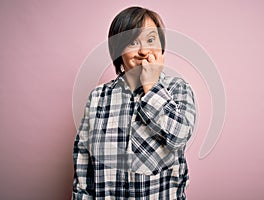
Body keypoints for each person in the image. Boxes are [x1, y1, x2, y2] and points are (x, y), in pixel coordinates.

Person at [72, 6, 196, 200]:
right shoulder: (98, 97)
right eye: (133, 42)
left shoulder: (178, 89)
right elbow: (83, 164)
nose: (144, 50)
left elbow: (178, 137)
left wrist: (151, 87)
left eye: (151, 40)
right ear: (118, 50)